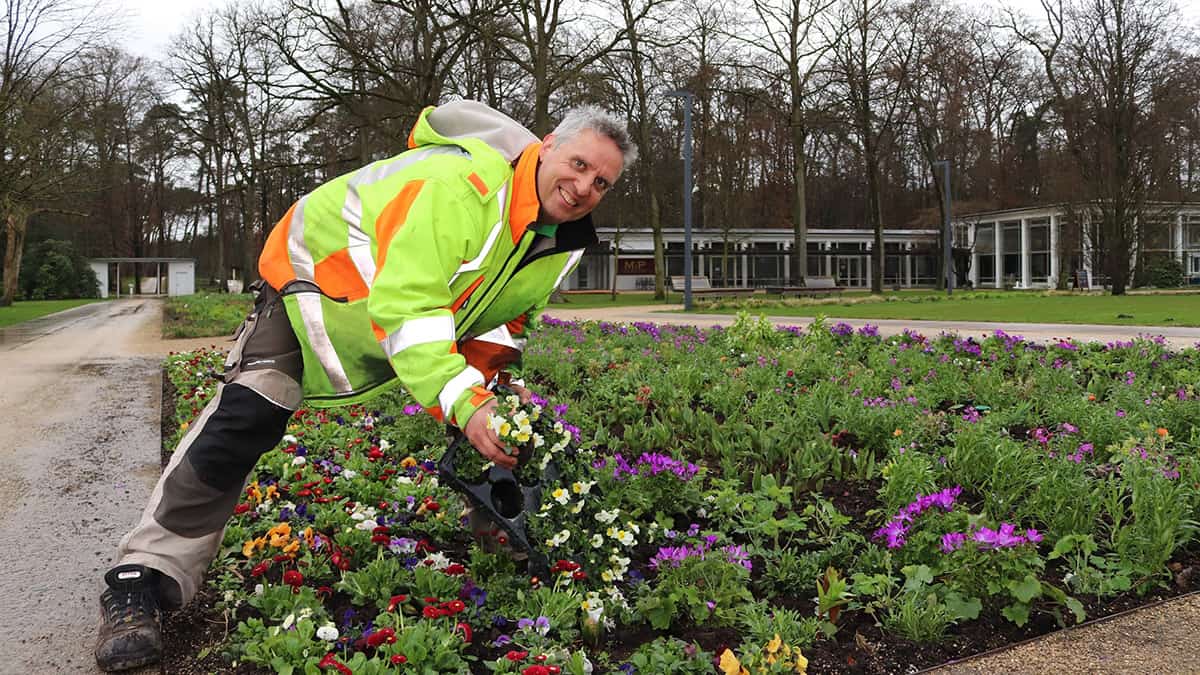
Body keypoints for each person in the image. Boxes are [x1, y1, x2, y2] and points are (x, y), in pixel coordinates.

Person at [93, 100, 637, 672]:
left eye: (601, 182)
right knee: (249, 413)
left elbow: (504, 319)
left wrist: (490, 392)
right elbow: (411, 305)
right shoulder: (463, 187)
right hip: (315, 282)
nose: (582, 187)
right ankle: (141, 579)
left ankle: (504, 542)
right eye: (577, 164)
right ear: (548, 144)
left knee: (497, 415)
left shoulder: (561, 239)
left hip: (373, 310)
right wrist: (464, 401)